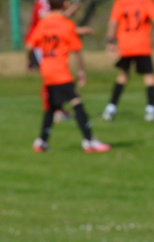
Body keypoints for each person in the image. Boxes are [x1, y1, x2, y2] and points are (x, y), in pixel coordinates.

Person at [26, 0, 110, 153]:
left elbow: (29, 46)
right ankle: (89, 141)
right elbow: (77, 50)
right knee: (76, 102)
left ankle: (41, 142)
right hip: (60, 71)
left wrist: (29, 61)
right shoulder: (66, 24)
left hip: (46, 70)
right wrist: (82, 71)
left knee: (52, 106)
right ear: (64, 4)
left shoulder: (43, 23)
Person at [102, 0, 154, 122]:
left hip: (125, 45)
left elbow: (113, 22)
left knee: (123, 76)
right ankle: (150, 110)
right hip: (142, 45)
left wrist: (111, 41)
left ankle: (111, 108)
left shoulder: (120, 2)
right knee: (149, 76)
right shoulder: (146, 2)